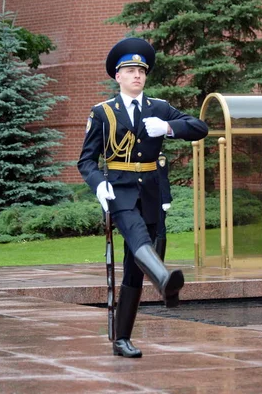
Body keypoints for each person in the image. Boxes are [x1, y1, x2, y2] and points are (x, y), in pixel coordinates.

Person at [78, 37, 208, 358]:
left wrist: (167, 127)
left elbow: (199, 127)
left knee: (134, 268)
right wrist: (98, 184)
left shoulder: (159, 108)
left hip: (150, 189)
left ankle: (122, 339)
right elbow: (86, 160)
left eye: (141, 70)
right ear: (118, 76)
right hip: (119, 188)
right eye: (130, 70)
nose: (137, 75)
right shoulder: (103, 113)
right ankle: (164, 277)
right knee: (136, 234)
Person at [155, 152, 171, 261]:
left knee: (160, 229)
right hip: (144, 196)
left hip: (158, 197)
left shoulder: (160, 157)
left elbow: (163, 178)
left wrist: (165, 199)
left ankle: (159, 260)